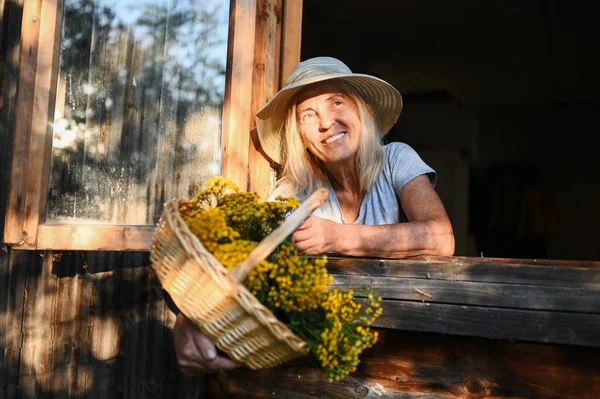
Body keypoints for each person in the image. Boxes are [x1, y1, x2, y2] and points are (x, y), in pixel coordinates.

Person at [172, 56, 455, 375]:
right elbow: (245, 262)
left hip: (408, 351)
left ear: (360, 110)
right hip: (319, 363)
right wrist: (191, 315)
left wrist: (338, 237)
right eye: (309, 115)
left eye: (337, 102)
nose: (325, 122)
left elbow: (441, 237)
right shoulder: (293, 194)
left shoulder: (396, 159)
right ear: (300, 138)